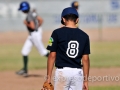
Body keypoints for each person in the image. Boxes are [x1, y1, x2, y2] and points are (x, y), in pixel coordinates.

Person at [43, 7, 90, 90]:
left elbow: (52, 56)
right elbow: (85, 59)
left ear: (63, 19)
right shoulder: (85, 36)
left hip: (62, 73)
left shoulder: (56, 33)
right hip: (77, 73)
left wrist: (48, 78)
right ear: (77, 20)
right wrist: (85, 81)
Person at [16, 1, 49, 77]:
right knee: (24, 52)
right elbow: (41, 20)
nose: (22, 11)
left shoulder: (29, 16)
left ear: (24, 9)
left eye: (22, 9)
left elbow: (32, 26)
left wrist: (26, 23)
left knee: (43, 52)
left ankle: (60, 62)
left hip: (34, 35)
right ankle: (25, 70)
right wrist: (38, 26)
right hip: (33, 35)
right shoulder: (32, 13)